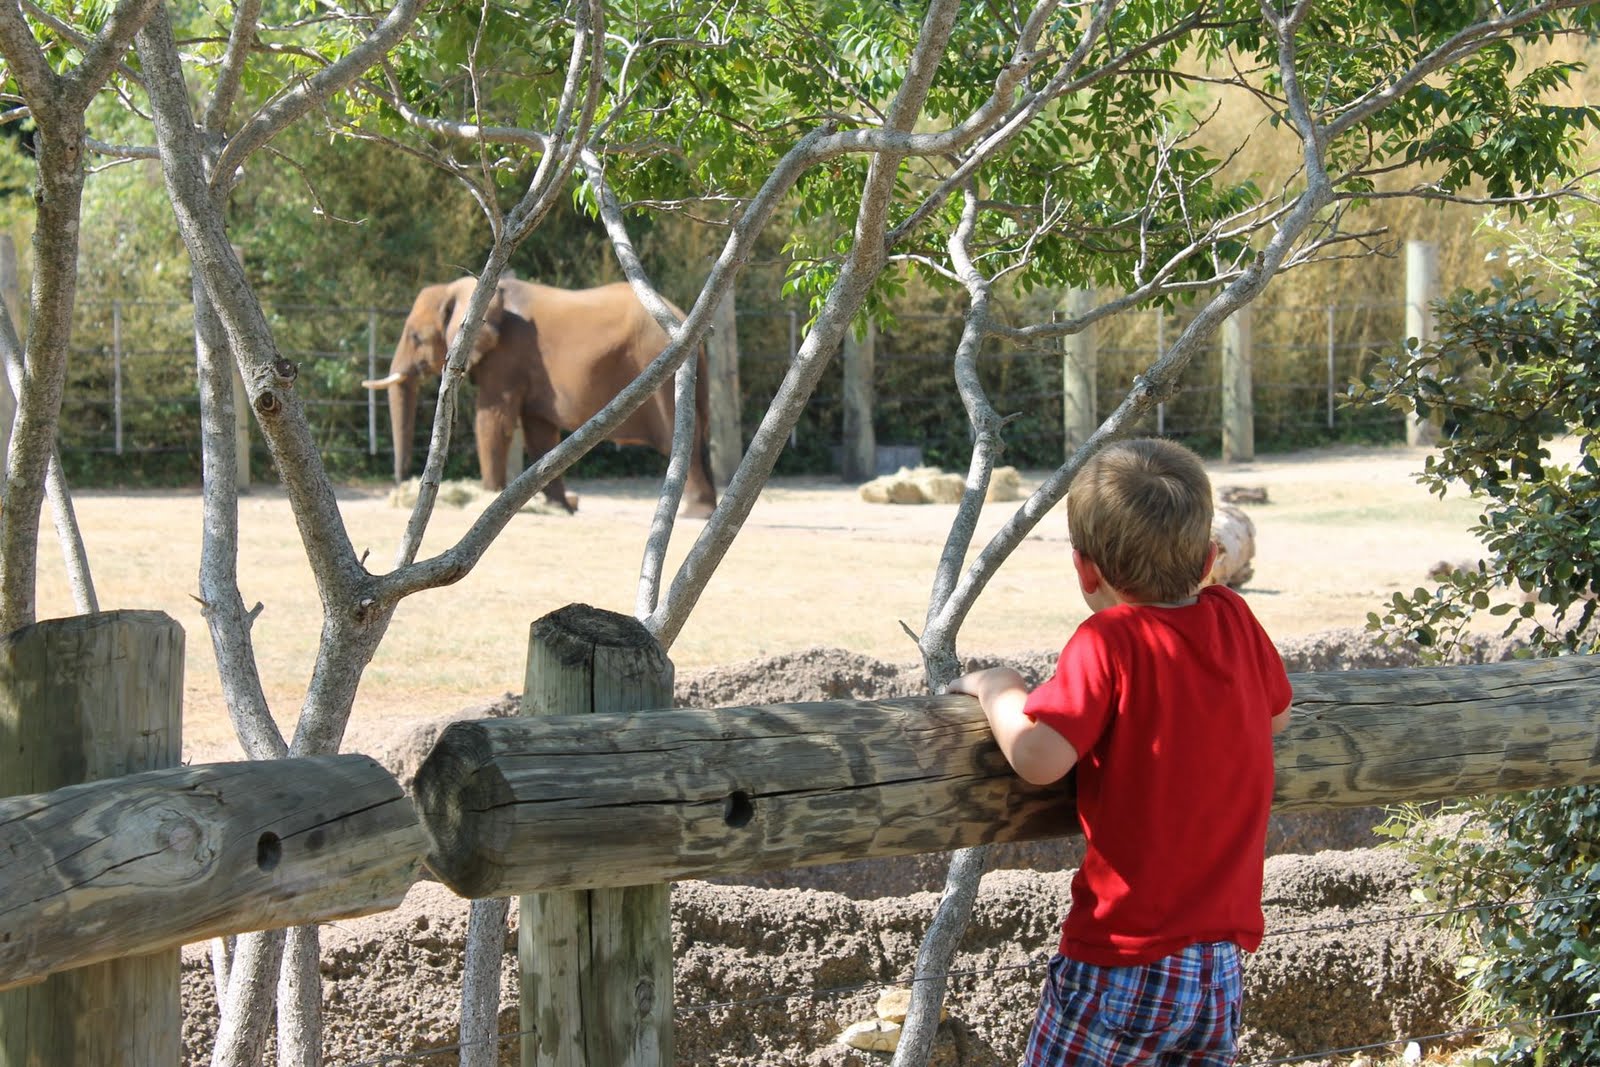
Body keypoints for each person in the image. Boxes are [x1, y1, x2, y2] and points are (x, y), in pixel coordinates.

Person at [948, 437, 1292, 1067]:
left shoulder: (1108, 640)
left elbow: (1040, 757)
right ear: (1213, 560)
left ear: (1085, 570)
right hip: (1218, 965)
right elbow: (1277, 710)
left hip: (1123, 957)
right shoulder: (1235, 619)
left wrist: (997, 688)